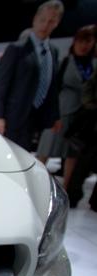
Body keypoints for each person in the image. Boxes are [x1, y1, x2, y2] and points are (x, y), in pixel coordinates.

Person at [0, 0, 64, 151]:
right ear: (35, 19)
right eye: (42, 20)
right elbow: (0, 84)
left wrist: (55, 116)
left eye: (51, 21)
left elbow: (52, 85)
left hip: (36, 118)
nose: (45, 25)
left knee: (26, 157)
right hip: (12, 117)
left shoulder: (53, 52)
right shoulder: (16, 49)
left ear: (57, 23)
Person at [37, 25, 96, 187]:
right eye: (81, 41)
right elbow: (52, 88)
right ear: (75, 42)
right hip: (61, 112)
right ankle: (34, 184)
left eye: (88, 41)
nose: (84, 45)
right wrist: (51, 114)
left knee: (73, 153)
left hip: (82, 116)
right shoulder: (65, 61)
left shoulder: (93, 65)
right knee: (45, 149)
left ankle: (67, 188)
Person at [65, 67, 97, 210]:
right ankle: (72, 195)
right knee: (84, 160)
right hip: (94, 122)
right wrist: (90, 105)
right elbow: (89, 88)